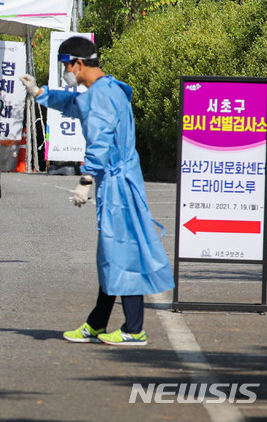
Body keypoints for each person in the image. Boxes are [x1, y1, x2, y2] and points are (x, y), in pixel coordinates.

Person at [20, 36, 174, 346]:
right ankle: (96, 323)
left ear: (78, 64)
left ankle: (134, 329)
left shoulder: (101, 96)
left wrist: (85, 180)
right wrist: (40, 93)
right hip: (120, 181)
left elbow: (100, 139)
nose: (66, 71)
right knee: (111, 253)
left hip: (118, 185)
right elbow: (74, 104)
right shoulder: (106, 89)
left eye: (66, 66)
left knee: (123, 251)